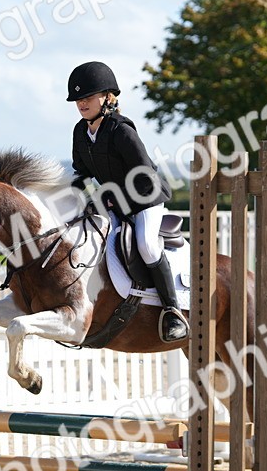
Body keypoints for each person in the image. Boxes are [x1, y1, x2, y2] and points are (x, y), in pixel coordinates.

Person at [68, 61, 187, 342]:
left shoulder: (121, 130)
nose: (82, 103)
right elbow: (81, 172)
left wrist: (112, 198)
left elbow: (144, 174)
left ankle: (172, 311)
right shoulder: (80, 132)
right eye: (78, 99)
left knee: (146, 244)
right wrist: (74, 195)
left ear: (107, 97)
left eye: (88, 97)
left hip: (145, 198)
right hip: (115, 201)